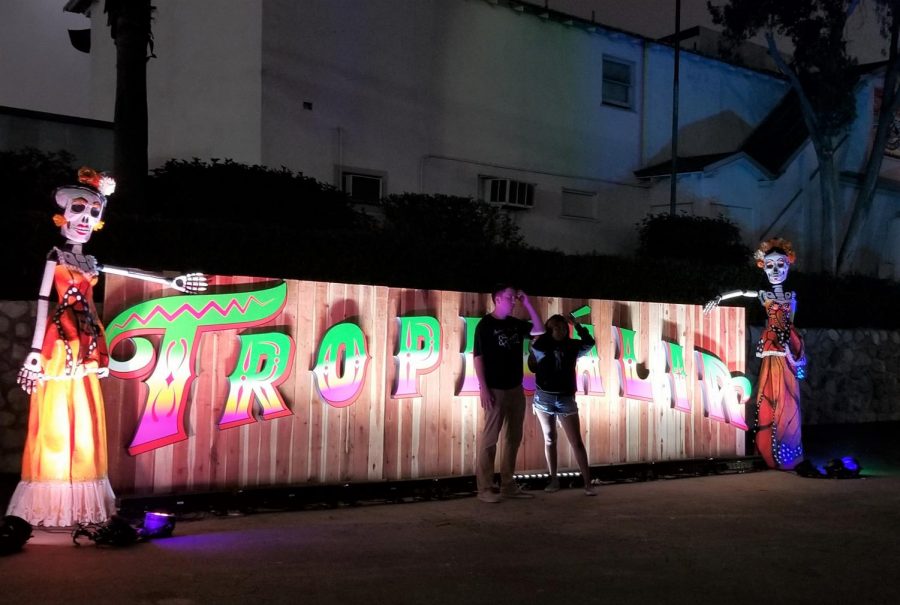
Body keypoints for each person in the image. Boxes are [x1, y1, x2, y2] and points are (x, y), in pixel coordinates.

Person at [9, 167, 208, 527]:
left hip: (86, 340)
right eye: (78, 210)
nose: (85, 219)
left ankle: (78, 500)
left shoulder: (88, 261)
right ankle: (52, 500)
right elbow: (42, 300)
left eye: (93, 213)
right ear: (62, 216)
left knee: (84, 415)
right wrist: (35, 354)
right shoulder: (56, 256)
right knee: (57, 415)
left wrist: (171, 281)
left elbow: (129, 272)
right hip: (60, 342)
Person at [704, 238, 806, 470]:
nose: (776, 271)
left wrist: (792, 349)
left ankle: (787, 450)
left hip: (786, 348)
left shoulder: (791, 298)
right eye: (770, 266)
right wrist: (719, 297)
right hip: (772, 349)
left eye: (780, 265)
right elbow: (743, 293)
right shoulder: (764, 296)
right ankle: (770, 451)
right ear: (763, 267)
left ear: (788, 265)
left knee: (788, 397)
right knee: (769, 393)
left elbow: (790, 324)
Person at [473, 284, 544, 503]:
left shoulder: (516, 324)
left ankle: (508, 484)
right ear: (496, 299)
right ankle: (484, 488)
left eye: (515, 298)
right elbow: (478, 357)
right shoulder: (485, 325)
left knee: (513, 437)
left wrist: (528, 304)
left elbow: (539, 330)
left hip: (515, 388)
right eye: (509, 297)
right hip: (494, 389)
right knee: (490, 439)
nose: (513, 301)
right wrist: (483, 387)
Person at [530, 313, 597, 495]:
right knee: (550, 438)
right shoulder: (542, 345)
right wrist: (542, 336)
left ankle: (587, 484)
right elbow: (534, 357)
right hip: (544, 397)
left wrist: (577, 324)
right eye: (554, 327)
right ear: (549, 329)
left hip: (566, 398)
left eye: (561, 326)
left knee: (576, 441)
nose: (558, 330)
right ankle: (553, 480)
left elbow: (590, 342)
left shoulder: (572, 345)